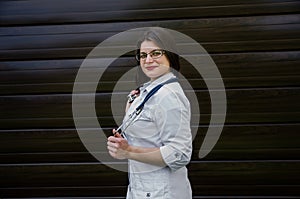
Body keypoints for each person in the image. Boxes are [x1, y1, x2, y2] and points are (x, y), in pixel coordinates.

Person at [107, 27, 193, 199]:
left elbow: (180, 154)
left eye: (156, 53)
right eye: (143, 55)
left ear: (170, 54)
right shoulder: (147, 92)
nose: (148, 60)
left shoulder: (168, 96)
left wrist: (129, 151)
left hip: (162, 193)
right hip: (144, 189)